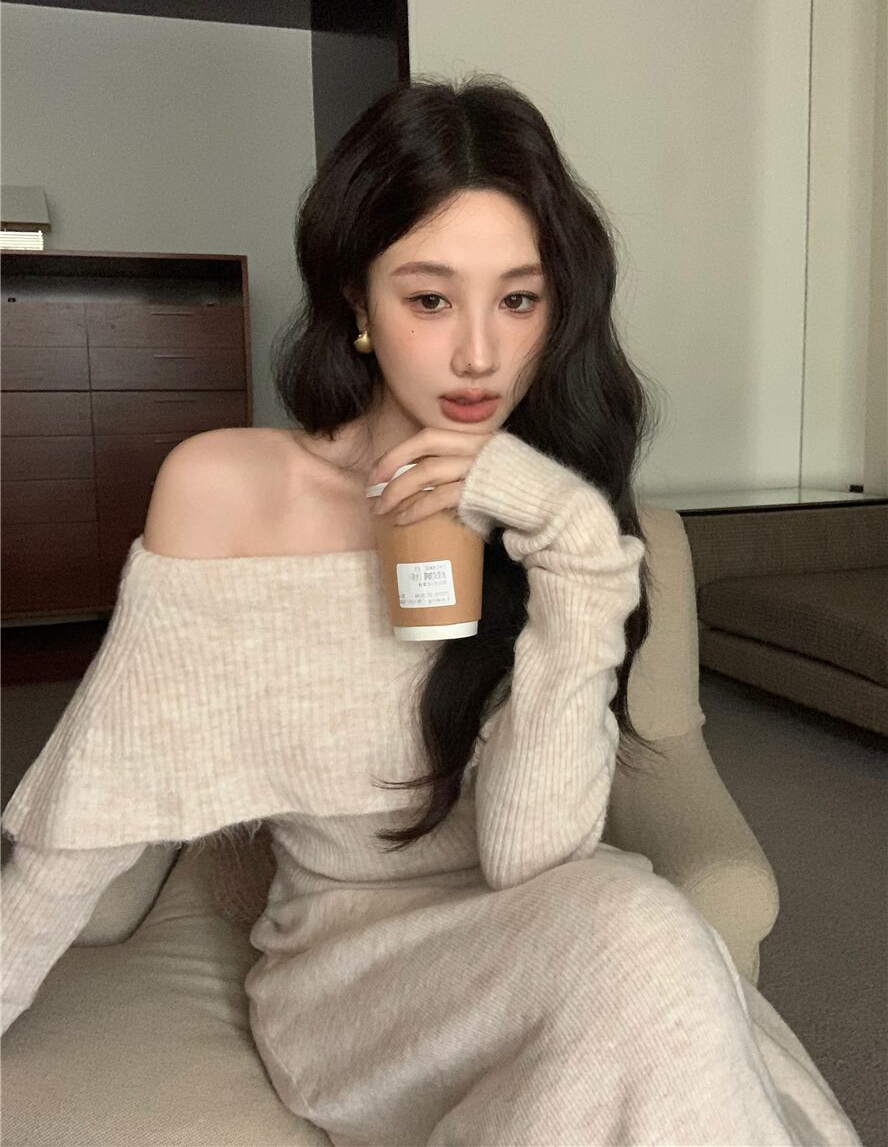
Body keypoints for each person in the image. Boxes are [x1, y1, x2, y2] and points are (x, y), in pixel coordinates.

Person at [1, 74, 862, 1147]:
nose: (479, 355)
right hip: (356, 974)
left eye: (519, 299)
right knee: (646, 942)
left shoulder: (559, 512)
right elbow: (95, 807)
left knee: (644, 946)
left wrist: (574, 545)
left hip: (559, 932)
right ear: (357, 302)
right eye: (430, 299)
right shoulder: (229, 488)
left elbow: (534, 857)